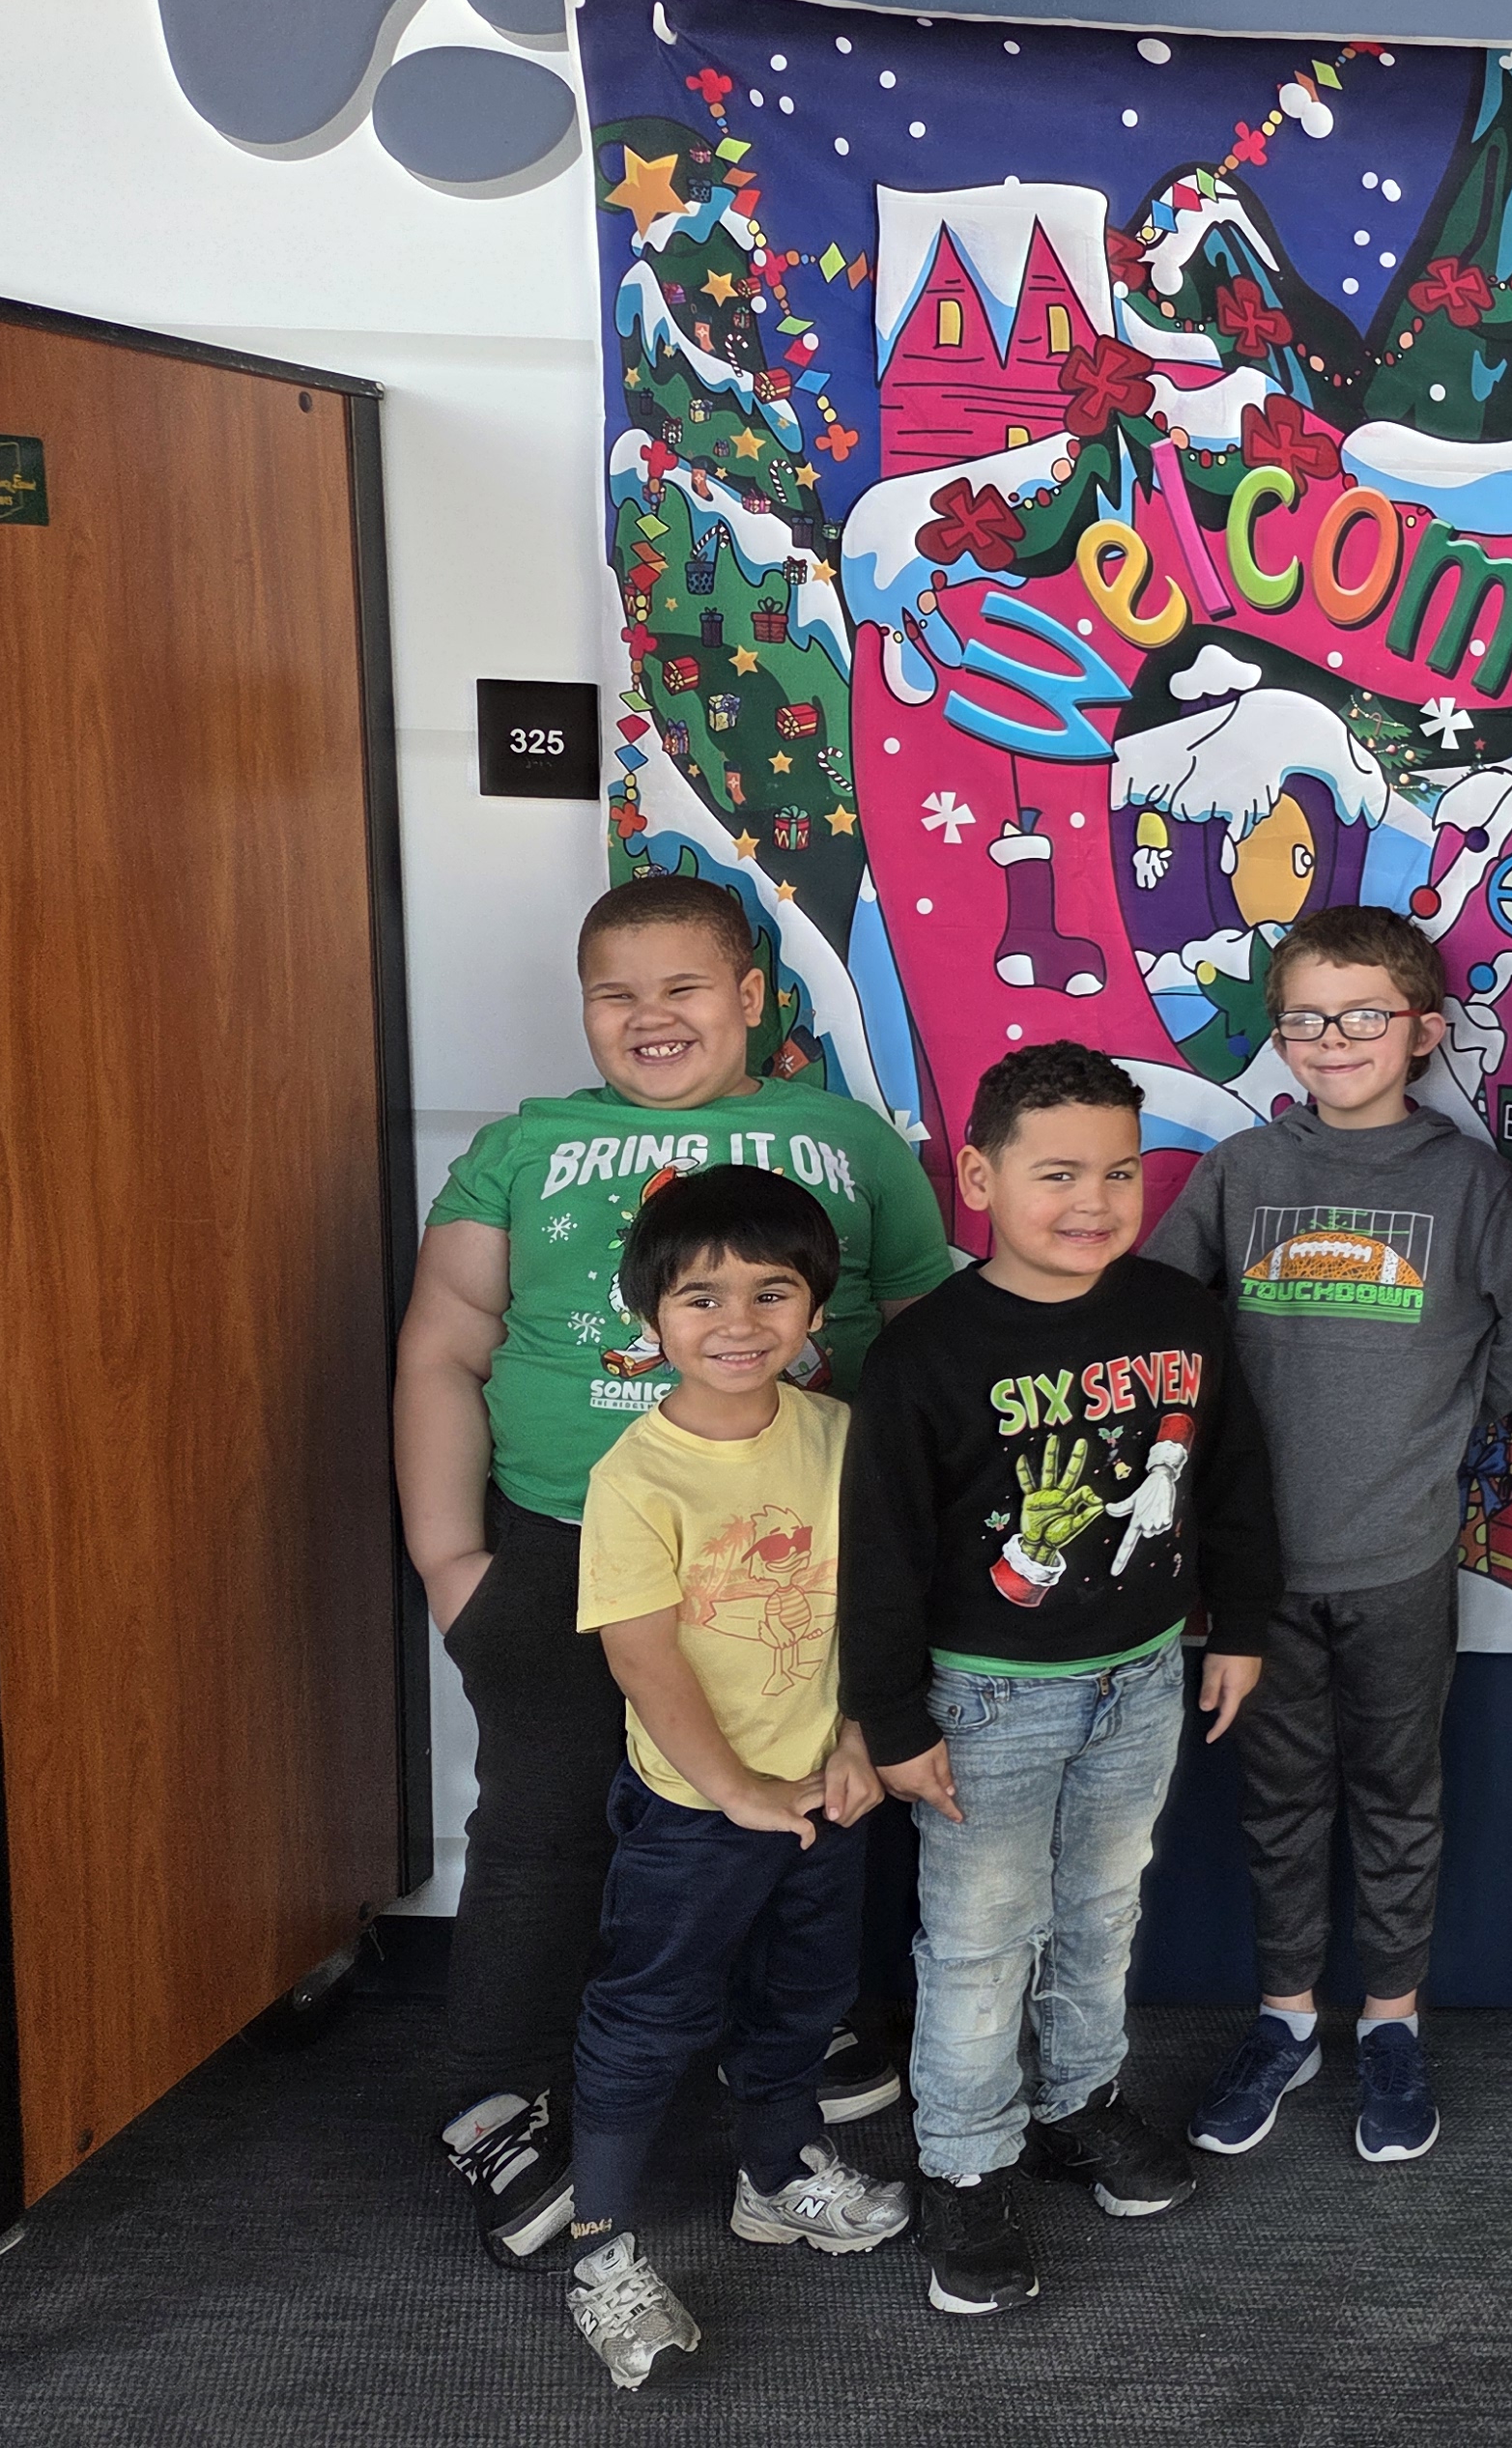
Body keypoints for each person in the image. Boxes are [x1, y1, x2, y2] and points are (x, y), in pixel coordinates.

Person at [397, 873, 951, 2263]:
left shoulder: (846, 1138)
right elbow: (442, 1344)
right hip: (568, 1542)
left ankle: (786, 2051)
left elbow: (936, 1339)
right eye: (616, 994)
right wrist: (448, 1552)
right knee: (543, 1822)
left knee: (809, 1798)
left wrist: (921, 1547)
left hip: (799, 1547)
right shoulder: (526, 1150)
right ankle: (491, 2099)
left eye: (684, 987)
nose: (651, 1017)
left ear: (754, 998)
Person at [841, 1043, 1280, 2317]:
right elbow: (881, 1553)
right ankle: (964, 2168)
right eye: (1057, 1173)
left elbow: (1232, 1478)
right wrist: (891, 1720)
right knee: (980, 1949)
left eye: (1120, 1171)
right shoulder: (925, 1355)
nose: (1093, 1199)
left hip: (1139, 1680)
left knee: (1099, 1919)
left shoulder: (1179, 1315)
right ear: (977, 1176)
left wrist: (1238, 1625)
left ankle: (1074, 2105)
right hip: (986, 1702)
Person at [1146, 905, 1512, 2168]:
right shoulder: (1244, 1173)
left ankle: (1389, 2026)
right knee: (1280, 1801)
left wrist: (1451, 1421)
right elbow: (1168, 1323)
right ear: (1281, 1035)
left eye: (1362, 1016)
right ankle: (1285, 2021)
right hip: (1260, 1566)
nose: (1332, 1040)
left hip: (1399, 1559)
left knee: (1398, 1797)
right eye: (1305, 1019)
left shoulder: (1462, 1182)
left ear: (1424, 1032)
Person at [556, 1167, 906, 2388]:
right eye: (701, 1297)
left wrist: (860, 1738)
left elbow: (874, 1608)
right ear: (650, 1318)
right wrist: (738, 1791)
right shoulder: (635, 1478)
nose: (740, 1322)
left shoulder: (842, 1437)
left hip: (826, 1794)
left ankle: (776, 2177)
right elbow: (644, 1663)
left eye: (772, 1291)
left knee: (805, 2003)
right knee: (649, 2018)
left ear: (816, 1310)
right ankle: (600, 2244)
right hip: (695, 1818)